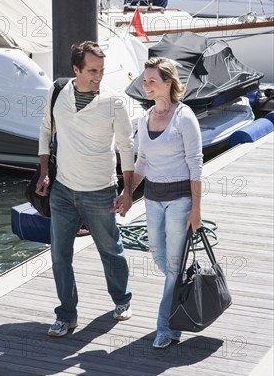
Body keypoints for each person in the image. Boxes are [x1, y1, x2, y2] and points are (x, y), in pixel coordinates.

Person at [36, 40, 135, 337]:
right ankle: (66, 315)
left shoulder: (113, 101)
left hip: (100, 190)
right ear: (76, 69)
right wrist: (44, 173)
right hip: (63, 190)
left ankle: (122, 300)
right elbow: (45, 130)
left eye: (102, 70)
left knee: (110, 249)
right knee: (59, 255)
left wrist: (127, 191)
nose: (98, 76)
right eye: (92, 70)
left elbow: (126, 147)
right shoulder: (57, 93)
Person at [116, 57, 203, 349]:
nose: (146, 85)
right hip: (152, 200)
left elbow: (196, 165)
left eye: (152, 81)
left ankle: (165, 327)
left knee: (174, 264)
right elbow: (141, 161)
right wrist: (127, 192)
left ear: (168, 83)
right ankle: (180, 299)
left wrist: (197, 209)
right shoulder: (144, 118)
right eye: (145, 81)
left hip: (180, 201)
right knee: (160, 258)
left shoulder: (184, 117)